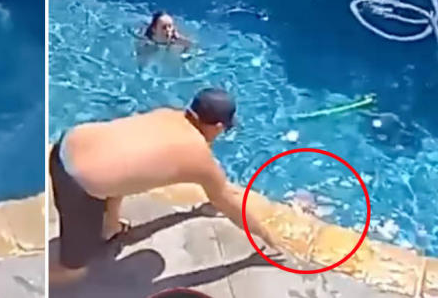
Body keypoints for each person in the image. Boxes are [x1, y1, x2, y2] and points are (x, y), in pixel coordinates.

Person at [49, 88, 280, 285]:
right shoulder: (199, 157)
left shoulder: (166, 114)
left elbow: (124, 163)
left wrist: (112, 221)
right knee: (75, 271)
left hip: (66, 145)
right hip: (76, 183)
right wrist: (266, 238)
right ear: (218, 127)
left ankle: (110, 228)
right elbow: (231, 206)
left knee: (122, 170)